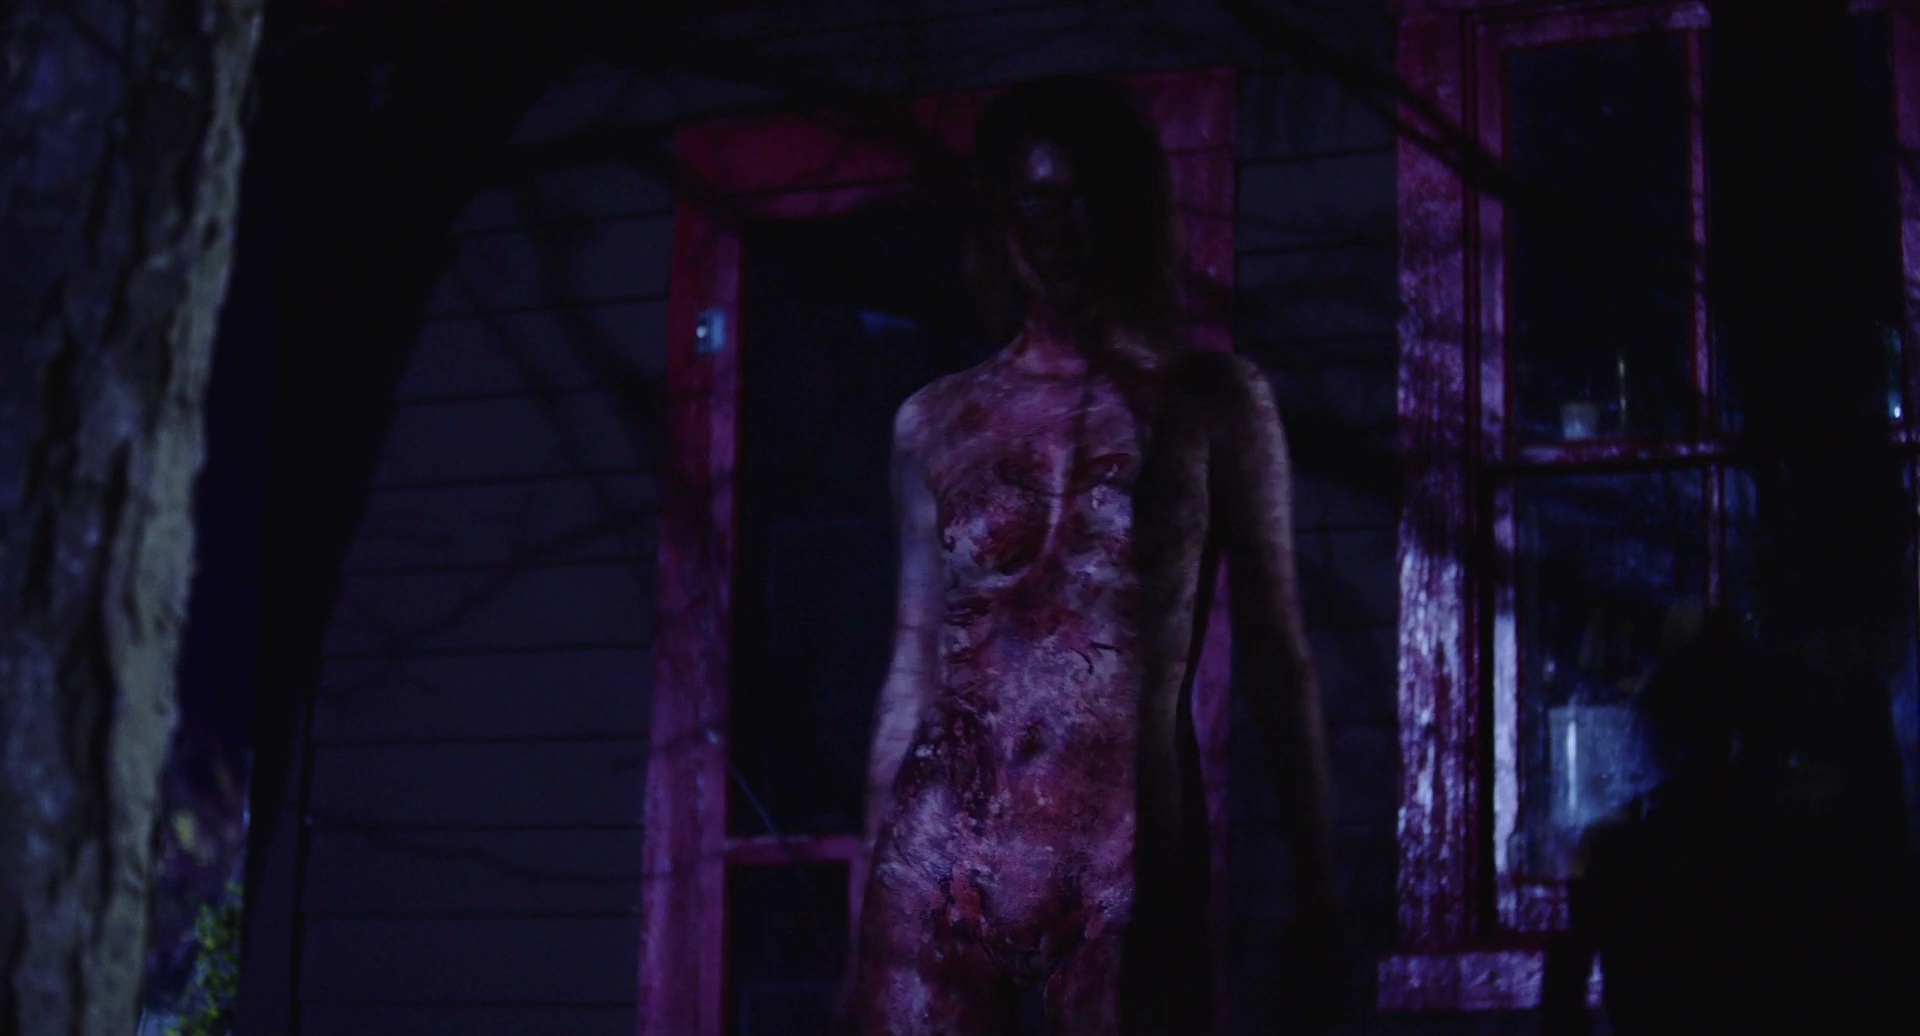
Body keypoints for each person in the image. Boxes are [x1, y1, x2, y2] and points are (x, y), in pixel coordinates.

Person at [845, 77, 1343, 1036]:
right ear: (1000, 218)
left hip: (1120, 851)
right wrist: (857, 928)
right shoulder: (934, 421)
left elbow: (1278, 657)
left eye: (1081, 198)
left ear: (1125, 212)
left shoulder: (1210, 402)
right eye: (1033, 201)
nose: (1057, 229)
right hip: (942, 850)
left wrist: (1318, 891)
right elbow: (911, 670)